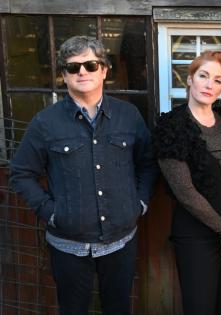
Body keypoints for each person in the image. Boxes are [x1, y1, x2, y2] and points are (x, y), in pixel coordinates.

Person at [9, 36, 159, 315]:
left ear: (104, 71)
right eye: (73, 67)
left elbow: (148, 162)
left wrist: (139, 203)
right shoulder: (45, 122)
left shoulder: (129, 115)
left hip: (120, 240)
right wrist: (52, 212)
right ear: (63, 75)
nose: (82, 72)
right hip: (68, 245)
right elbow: (21, 173)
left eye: (91, 65)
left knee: (118, 308)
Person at [152, 51, 221, 315]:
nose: (209, 84)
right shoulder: (172, 128)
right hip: (197, 237)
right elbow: (185, 192)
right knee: (200, 307)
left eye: (218, 80)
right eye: (203, 76)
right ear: (189, 79)